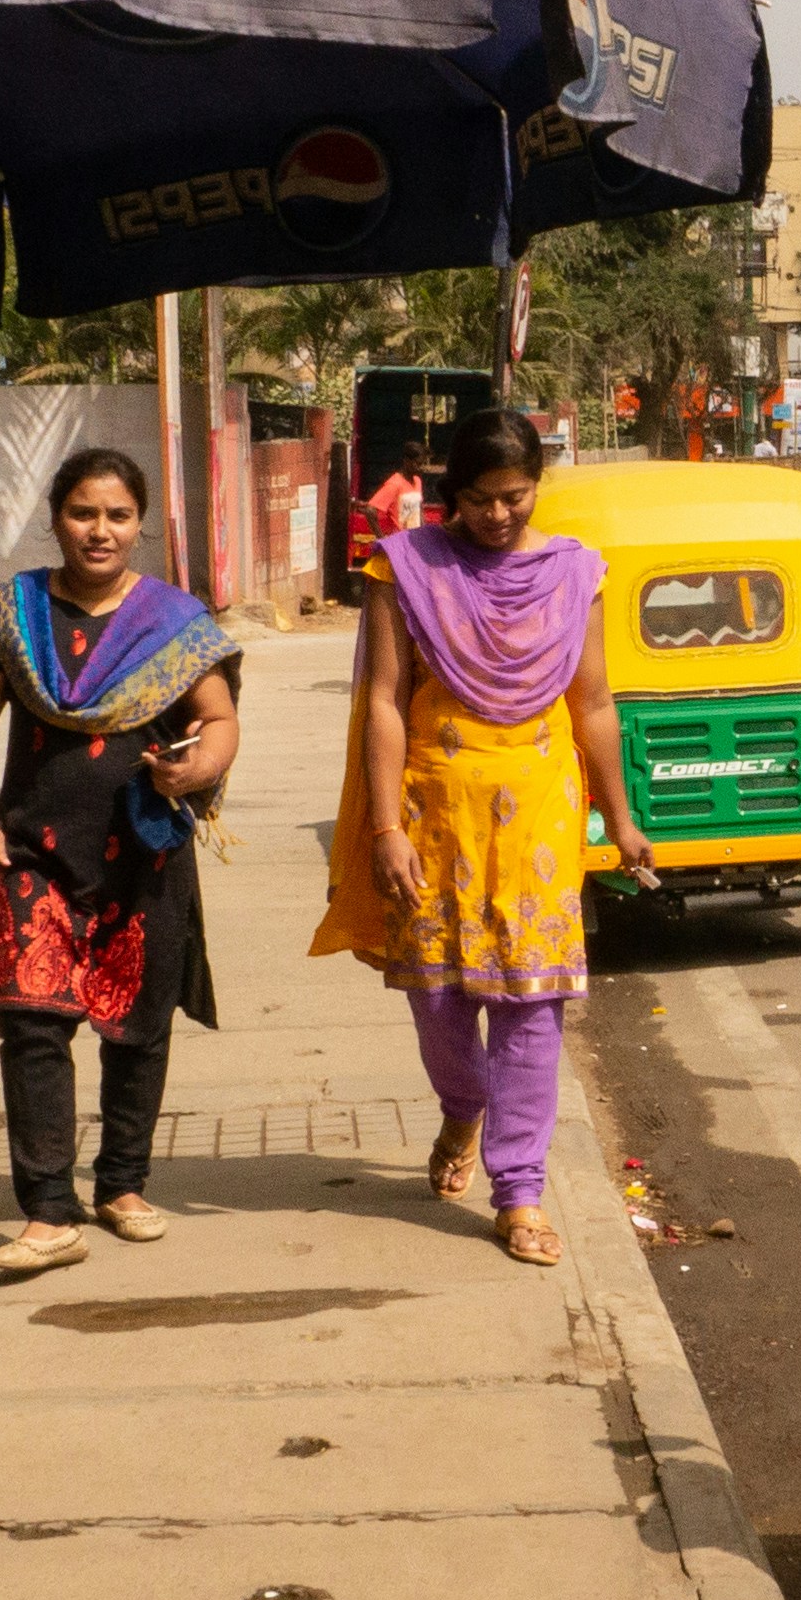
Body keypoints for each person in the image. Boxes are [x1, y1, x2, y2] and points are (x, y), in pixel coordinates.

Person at [315, 408, 656, 1267]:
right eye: (478, 500)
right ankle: (462, 1106)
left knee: (532, 1006)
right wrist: (384, 826)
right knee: (438, 1000)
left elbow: (594, 705)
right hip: (434, 812)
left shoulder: (576, 572)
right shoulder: (405, 567)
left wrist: (621, 818)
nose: (498, 516)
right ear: (449, 496)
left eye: (514, 497)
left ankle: (520, 1192)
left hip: (539, 810)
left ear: (538, 485)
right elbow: (386, 701)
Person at [0, 451, 243, 1278]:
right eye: (84, 513)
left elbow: (217, 719)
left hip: (142, 856)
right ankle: (48, 1211)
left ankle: (121, 1183)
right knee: (32, 1022)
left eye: (117, 516)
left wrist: (197, 768)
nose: (100, 531)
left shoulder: (175, 623)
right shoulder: (15, 613)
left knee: (138, 1023)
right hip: (31, 855)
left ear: (139, 525)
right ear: (56, 519)